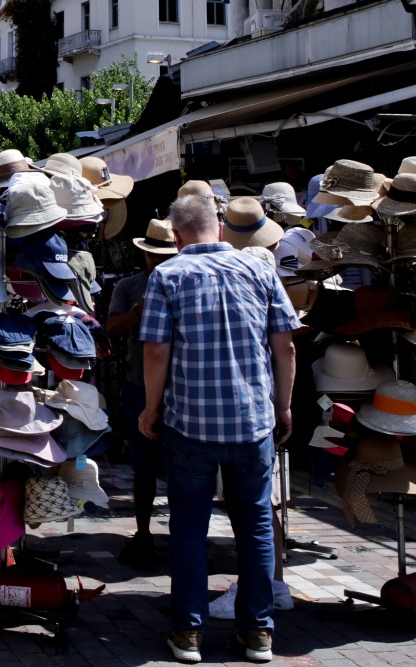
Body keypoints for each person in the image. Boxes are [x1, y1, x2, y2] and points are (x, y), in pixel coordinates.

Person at [139, 194, 299, 664]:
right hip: (253, 422)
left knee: (189, 527)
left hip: (191, 424)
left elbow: (155, 352)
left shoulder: (167, 276)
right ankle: (258, 634)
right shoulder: (260, 270)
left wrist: (151, 409)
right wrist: (283, 406)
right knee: (254, 528)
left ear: (175, 234)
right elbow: (285, 346)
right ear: (221, 228)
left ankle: (188, 632)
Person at [106, 218, 178, 569]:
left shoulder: (186, 283)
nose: (158, 262)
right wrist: (139, 309)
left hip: (181, 388)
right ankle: (143, 530)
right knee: (143, 466)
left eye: (165, 255)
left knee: (182, 465)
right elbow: (112, 328)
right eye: (153, 256)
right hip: (138, 383)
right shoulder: (130, 286)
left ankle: (183, 533)